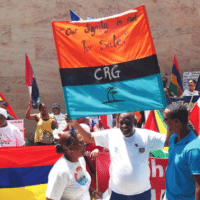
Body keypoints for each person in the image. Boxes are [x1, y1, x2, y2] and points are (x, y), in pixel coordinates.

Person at [66, 112, 167, 200]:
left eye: (127, 122)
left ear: (135, 123)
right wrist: (74, 124)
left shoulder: (146, 135)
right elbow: (89, 137)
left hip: (142, 194)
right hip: (117, 194)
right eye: (121, 122)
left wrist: (171, 124)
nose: (123, 126)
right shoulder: (112, 134)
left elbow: (167, 141)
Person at [45, 130, 102, 200]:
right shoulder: (60, 171)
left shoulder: (80, 159)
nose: (84, 145)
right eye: (81, 143)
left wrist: (93, 192)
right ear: (70, 148)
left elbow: (82, 183)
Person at [163, 103, 200, 200]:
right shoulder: (172, 139)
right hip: (169, 196)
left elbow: (199, 187)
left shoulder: (194, 149)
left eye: (166, 119)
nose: (163, 121)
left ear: (176, 121)